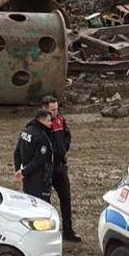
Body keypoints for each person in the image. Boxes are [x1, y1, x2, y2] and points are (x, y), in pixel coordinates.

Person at [42, 96, 82, 242]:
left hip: (60, 166)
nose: (55, 112)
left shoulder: (60, 120)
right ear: (45, 109)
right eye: (52, 110)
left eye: (57, 109)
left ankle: (68, 230)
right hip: (46, 168)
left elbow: (67, 136)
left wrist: (63, 149)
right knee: (45, 201)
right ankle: (46, 233)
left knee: (66, 198)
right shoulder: (40, 124)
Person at [13, 110, 54, 203]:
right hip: (39, 179)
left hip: (27, 179)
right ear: (42, 121)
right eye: (49, 121)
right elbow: (39, 160)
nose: (51, 123)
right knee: (42, 206)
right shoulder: (41, 137)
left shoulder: (25, 131)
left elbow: (17, 152)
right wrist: (23, 172)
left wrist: (19, 170)